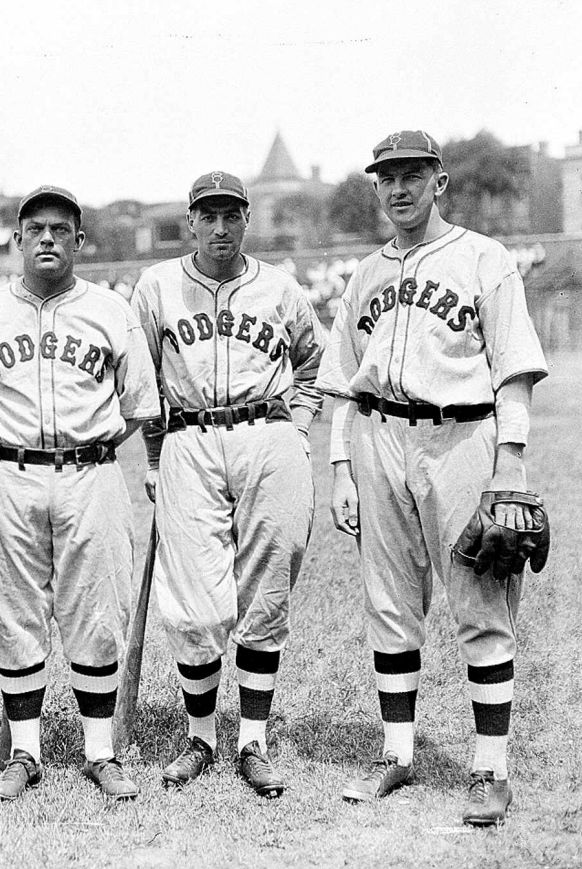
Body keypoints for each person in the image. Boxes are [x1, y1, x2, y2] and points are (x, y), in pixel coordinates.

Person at [316, 130, 548, 826]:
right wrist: (340, 467)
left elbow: (512, 369)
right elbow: (344, 384)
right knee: (389, 604)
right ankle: (397, 752)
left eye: (412, 174)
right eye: (386, 176)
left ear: (439, 180)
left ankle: (489, 767)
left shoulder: (484, 258)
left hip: (462, 435)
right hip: (378, 436)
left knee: (479, 600)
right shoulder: (364, 273)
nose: (399, 187)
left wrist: (510, 462)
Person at [130, 171, 325, 797]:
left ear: (247, 220)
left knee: (267, 588)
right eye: (208, 216)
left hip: (266, 435)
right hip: (188, 437)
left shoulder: (280, 287)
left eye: (231, 215)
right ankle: (201, 736)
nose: (220, 228)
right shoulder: (157, 286)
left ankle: (252, 738)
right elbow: (143, 380)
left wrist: (296, 430)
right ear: (191, 222)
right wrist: (155, 456)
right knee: (195, 599)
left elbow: (313, 363)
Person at [0, 186, 159, 802]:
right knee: (14, 610)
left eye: (61, 229)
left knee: (97, 608)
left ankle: (100, 751)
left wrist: (88, 446)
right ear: (18, 240)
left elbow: (137, 405)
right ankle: (25, 752)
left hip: (90, 471)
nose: (48, 238)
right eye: (36, 229)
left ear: (80, 240)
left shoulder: (110, 309)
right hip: (7, 472)